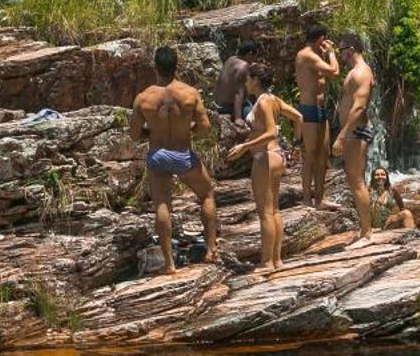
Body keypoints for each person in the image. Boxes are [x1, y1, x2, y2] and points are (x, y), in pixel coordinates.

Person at [129, 45, 218, 275]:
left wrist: (152, 133)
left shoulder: (143, 98)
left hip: (158, 153)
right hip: (183, 152)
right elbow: (205, 127)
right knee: (206, 193)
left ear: (155, 66)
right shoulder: (189, 93)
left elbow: (134, 134)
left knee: (162, 204)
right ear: (177, 65)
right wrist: (187, 129)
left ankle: (169, 264)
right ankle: (211, 249)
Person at [224, 61, 304, 271]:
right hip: (277, 155)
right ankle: (277, 260)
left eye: (248, 78)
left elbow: (271, 132)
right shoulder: (273, 99)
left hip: (265, 157)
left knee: (265, 213)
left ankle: (267, 262)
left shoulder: (263, 102)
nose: (246, 82)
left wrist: (244, 146)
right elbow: (298, 117)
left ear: (256, 80)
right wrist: (295, 144)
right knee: (274, 210)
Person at [333, 32, 377, 244]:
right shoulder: (357, 71)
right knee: (355, 180)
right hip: (354, 132)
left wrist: (341, 136)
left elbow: (359, 107)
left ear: (350, 50)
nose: (339, 54)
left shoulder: (361, 73)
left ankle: (367, 232)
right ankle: (365, 229)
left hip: (355, 132)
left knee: (357, 181)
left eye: (340, 50)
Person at [292, 23, 341, 209]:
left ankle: (319, 199)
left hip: (320, 109)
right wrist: (331, 53)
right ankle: (306, 199)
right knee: (311, 155)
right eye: (324, 39)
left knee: (323, 155)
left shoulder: (315, 54)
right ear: (320, 39)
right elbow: (335, 72)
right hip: (309, 110)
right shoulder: (307, 55)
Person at [215, 42, 257, 128]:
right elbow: (238, 93)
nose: (255, 59)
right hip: (227, 107)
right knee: (256, 118)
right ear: (250, 54)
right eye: (255, 56)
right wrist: (238, 118)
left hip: (217, 103)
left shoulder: (231, 59)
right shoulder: (244, 66)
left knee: (250, 100)